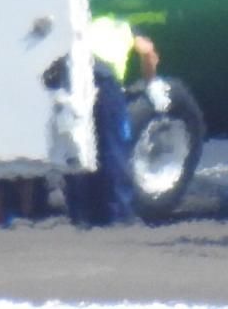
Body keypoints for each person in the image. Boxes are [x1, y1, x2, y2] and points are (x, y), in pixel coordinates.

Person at [63, 16, 160, 227]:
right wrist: (150, 83)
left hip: (73, 72)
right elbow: (148, 54)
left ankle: (79, 214)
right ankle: (118, 214)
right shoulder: (127, 27)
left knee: (77, 144)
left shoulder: (89, 21)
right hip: (104, 78)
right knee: (113, 146)